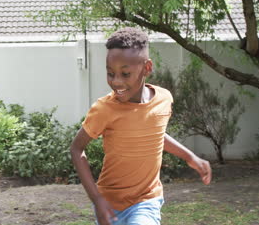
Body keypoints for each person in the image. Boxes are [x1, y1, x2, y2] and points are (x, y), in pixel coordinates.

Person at [70, 27, 212, 225]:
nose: (116, 81)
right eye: (111, 73)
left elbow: (155, 135)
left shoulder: (163, 100)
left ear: (146, 68)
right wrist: (97, 199)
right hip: (109, 204)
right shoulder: (104, 109)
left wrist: (191, 157)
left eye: (125, 74)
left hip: (146, 200)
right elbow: (77, 149)